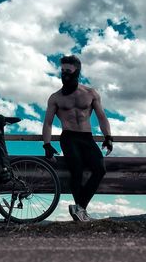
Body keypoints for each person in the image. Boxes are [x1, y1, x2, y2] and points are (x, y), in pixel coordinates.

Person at [42, 55, 113, 222]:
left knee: (100, 169)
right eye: (62, 71)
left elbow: (102, 117)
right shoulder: (55, 97)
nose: (65, 74)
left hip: (87, 137)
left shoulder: (90, 93)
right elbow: (48, 123)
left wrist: (108, 137)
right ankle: (81, 211)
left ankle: (79, 207)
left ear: (77, 72)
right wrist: (46, 144)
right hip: (69, 137)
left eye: (68, 71)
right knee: (77, 171)